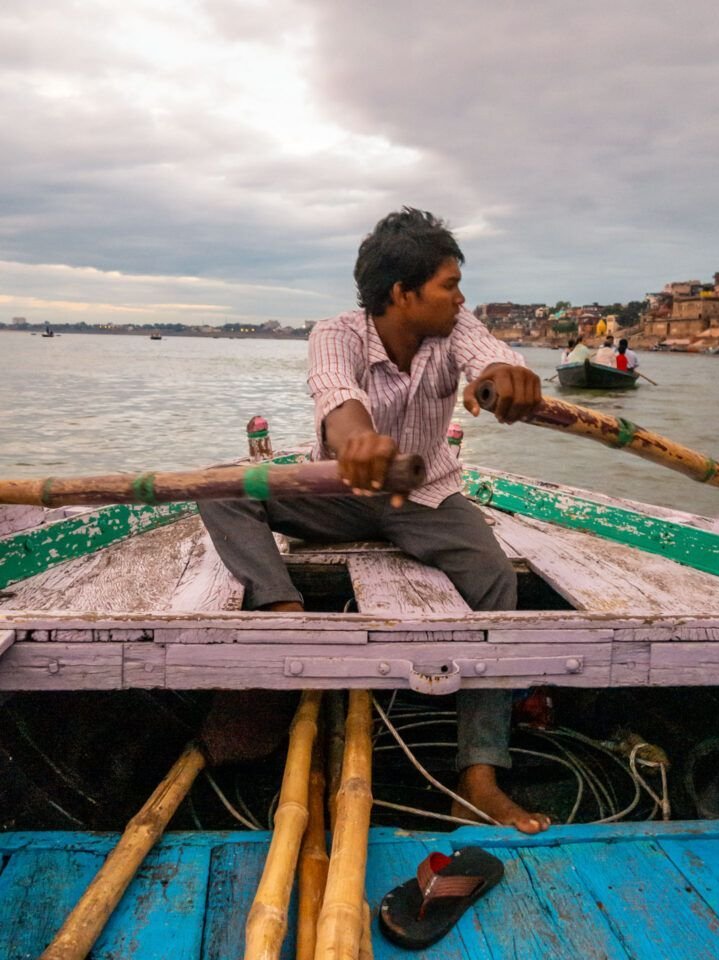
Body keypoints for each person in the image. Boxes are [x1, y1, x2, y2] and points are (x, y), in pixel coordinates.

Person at [198, 208, 550, 833]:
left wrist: (505, 379)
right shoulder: (336, 333)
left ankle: (478, 777)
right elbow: (336, 397)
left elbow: (489, 359)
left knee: (498, 583)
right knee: (223, 489)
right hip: (338, 493)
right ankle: (285, 616)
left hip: (427, 497)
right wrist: (358, 441)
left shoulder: (454, 328)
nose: (460, 297)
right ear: (401, 294)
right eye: (448, 285)